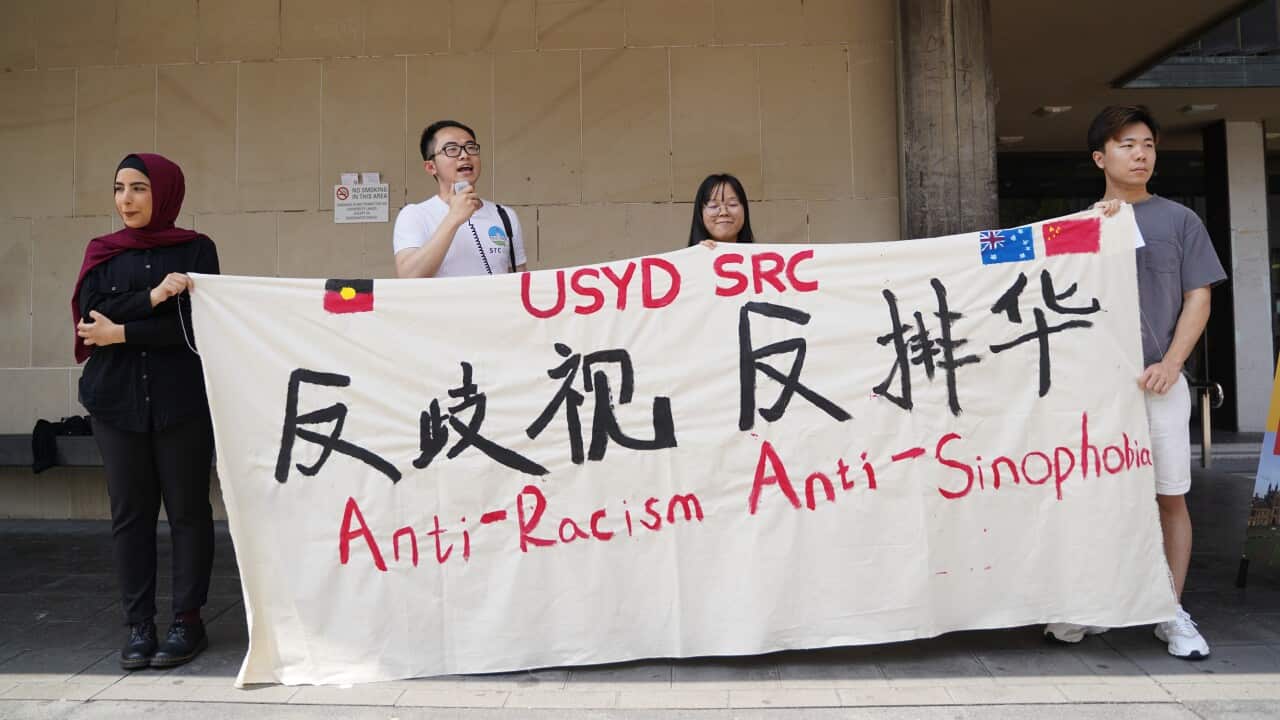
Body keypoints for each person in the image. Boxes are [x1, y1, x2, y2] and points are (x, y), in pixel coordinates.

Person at [1044, 106, 1226, 660]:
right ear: (1101, 157)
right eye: (1127, 145)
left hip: (1161, 384)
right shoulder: (1076, 227)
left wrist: (1173, 363)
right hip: (1095, 392)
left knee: (1169, 496)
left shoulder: (1180, 221)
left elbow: (1200, 296)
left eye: (1147, 144)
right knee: (1096, 498)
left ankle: (1170, 610)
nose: (1140, 154)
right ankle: (1098, 603)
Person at [72, 153, 220, 670]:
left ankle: (188, 621)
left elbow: (196, 328)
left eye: (139, 188)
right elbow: (91, 321)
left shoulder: (197, 249)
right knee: (130, 517)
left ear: (165, 192)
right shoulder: (102, 253)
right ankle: (138, 627)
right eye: (119, 188)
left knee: (188, 513)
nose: (127, 200)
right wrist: (155, 296)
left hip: (182, 403)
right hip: (115, 404)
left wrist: (124, 330)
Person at [394, 120, 527, 278]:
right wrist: (454, 218)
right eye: (452, 149)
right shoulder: (415, 215)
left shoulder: (504, 215)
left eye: (471, 147)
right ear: (431, 167)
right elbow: (409, 276)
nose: (465, 155)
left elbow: (519, 280)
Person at [687, 173, 755, 247]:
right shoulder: (688, 258)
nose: (724, 212)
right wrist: (699, 254)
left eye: (732, 204)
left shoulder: (760, 256)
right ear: (700, 213)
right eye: (713, 206)